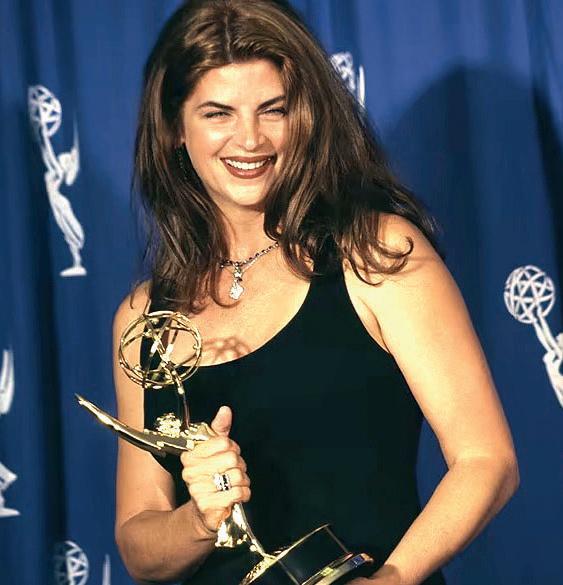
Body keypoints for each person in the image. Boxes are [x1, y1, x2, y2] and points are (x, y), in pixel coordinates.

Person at [112, 1, 520, 584]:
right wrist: (201, 519)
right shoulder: (144, 317)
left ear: (305, 116)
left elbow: (486, 460)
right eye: (218, 113)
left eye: (273, 110)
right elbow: (140, 546)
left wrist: (394, 578)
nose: (249, 139)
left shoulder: (377, 254)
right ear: (176, 128)